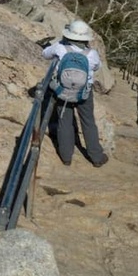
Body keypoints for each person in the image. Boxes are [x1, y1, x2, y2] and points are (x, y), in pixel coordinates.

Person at [42, 19, 109, 167]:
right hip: (84, 92)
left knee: (64, 122)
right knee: (88, 122)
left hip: (62, 91)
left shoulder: (59, 47)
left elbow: (45, 54)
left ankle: (66, 157)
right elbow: (97, 67)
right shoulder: (92, 53)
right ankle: (96, 157)